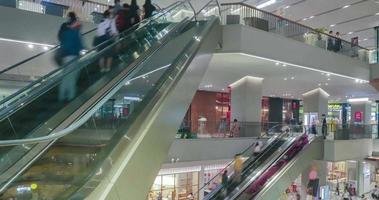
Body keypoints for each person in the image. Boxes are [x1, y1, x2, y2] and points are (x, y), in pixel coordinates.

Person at [57, 12, 84, 102]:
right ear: (75, 22)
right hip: (73, 56)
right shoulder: (75, 32)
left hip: (64, 56)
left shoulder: (64, 31)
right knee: (72, 77)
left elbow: (60, 39)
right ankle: (71, 97)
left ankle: (61, 96)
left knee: (65, 76)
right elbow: (80, 45)